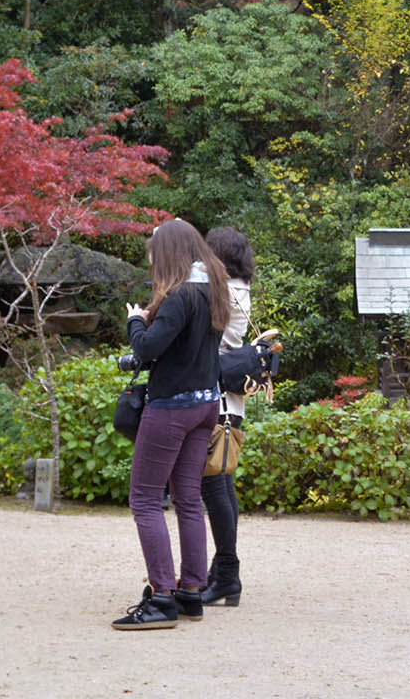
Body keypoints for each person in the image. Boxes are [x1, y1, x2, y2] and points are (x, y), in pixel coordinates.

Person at [112, 219, 231, 631]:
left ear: (168, 256)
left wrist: (135, 320)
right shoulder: (211, 290)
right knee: (188, 498)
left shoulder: (179, 296)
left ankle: (161, 597)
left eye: (153, 254)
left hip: (172, 408)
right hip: (206, 405)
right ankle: (191, 591)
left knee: (145, 499)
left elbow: (147, 348)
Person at [198, 225, 253, 608]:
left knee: (214, 487)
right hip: (231, 404)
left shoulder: (223, 293)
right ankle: (223, 571)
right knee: (224, 486)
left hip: (215, 402)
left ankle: (227, 572)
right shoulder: (241, 288)